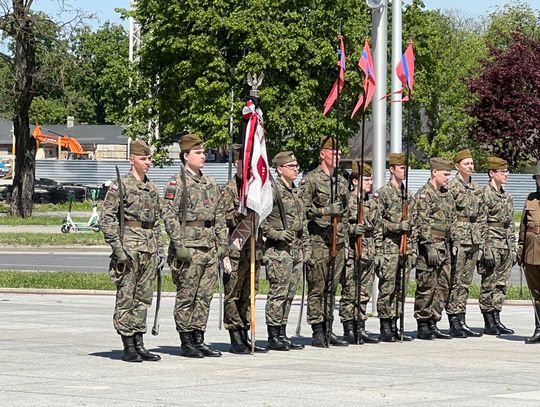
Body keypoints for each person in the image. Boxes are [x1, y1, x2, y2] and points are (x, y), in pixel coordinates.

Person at [162, 134, 228, 358]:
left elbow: (219, 215)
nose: (203, 156)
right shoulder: (177, 182)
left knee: (204, 296)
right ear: (185, 155)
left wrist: (222, 243)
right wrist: (179, 245)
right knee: (187, 295)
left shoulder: (210, 182)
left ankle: (199, 338)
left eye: (203, 152)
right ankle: (186, 339)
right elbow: (169, 215)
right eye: (198, 153)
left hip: (208, 247)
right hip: (188, 248)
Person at [100, 139, 163, 363]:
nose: (148, 162)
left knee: (143, 297)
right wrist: (118, 249)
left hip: (148, 249)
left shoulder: (152, 188)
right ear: (132, 160)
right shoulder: (121, 185)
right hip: (129, 249)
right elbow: (106, 219)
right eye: (144, 158)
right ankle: (127, 344)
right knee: (127, 296)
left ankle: (139, 342)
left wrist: (159, 249)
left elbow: (156, 222)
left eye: (149, 158)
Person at [219, 144, 268, 354]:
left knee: (250, 292)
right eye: (242, 163)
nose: (246, 168)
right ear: (236, 163)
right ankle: (234, 335)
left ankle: (245, 330)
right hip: (235, 248)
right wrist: (241, 213)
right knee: (234, 292)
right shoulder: (230, 189)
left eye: (249, 164)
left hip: (253, 249)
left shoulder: (256, 190)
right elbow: (223, 218)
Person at [300, 135, 349, 347]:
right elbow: (301, 210)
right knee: (317, 287)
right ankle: (317, 329)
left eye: (339, 153)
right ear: (323, 154)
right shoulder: (311, 179)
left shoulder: (342, 181)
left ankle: (329, 326)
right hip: (318, 240)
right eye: (333, 153)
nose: (337, 156)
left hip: (336, 242)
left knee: (332, 287)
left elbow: (346, 211)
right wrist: (325, 211)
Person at [261, 151, 311, 351]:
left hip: (296, 249)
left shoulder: (296, 191)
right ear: (280, 169)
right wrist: (276, 234)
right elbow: (260, 220)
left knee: (290, 293)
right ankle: (273, 335)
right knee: (278, 293)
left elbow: (303, 222)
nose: (296, 169)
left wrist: (306, 246)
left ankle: (282, 332)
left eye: (296, 166)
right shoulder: (273, 190)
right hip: (279, 251)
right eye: (291, 166)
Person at [411, 157, 457, 340]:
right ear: (434, 172)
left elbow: (452, 220)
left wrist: (454, 242)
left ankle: (434, 322)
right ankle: (423, 323)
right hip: (430, 247)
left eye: (449, 174)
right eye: (445, 174)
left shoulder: (447, 194)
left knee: (443, 286)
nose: (448, 177)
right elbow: (421, 222)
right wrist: (429, 246)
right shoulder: (424, 194)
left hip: (445, 246)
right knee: (427, 285)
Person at [374, 152, 414, 342]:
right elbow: (377, 223)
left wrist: (412, 248)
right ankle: (385, 324)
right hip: (389, 246)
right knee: (388, 287)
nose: (404, 171)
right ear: (392, 169)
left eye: (406, 168)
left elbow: (414, 224)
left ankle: (395, 322)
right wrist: (397, 227)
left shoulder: (408, 194)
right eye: (401, 168)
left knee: (401, 288)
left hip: (404, 248)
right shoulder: (383, 193)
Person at [340, 161, 381, 344]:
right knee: (350, 290)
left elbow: (378, 228)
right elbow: (340, 225)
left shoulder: (371, 203)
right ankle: (348, 327)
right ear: (355, 181)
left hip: (369, 250)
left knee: (364, 292)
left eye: (371, 179)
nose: (370, 182)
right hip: (352, 251)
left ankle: (360, 326)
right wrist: (351, 229)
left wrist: (378, 252)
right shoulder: (347, 200)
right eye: (366, 179)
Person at [445, 150, 484, 338]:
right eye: (467, 163)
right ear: (457, 166)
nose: (471, 166)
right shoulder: (451, 187)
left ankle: (462, 318)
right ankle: (453, 320)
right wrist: (453, 238)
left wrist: (482, 239)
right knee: (456, 280)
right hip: (459, 238)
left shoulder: (476, 187)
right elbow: (449, 214)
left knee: (466, 282)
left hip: (474, 238)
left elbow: (482, 215)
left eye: (472, 163)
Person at [478, 156, 517, 335]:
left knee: (501, 284)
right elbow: (481, 222)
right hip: (492, 244)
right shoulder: (484, 194)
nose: (506, 174)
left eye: (506, 171)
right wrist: (485, 248)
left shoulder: (507, 196)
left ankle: (497, 318)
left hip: (505, 245)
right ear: (491, 173)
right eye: (502, 172)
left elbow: (509, 224)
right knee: (489, 282)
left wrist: (513, 248)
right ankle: (488, 320)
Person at [518, 161, 540, 344]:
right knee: (536, 292)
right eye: (539, 178)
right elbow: (523, 228)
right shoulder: (531, 199)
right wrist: (520, 250)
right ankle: (539, 328)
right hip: (532, 252)